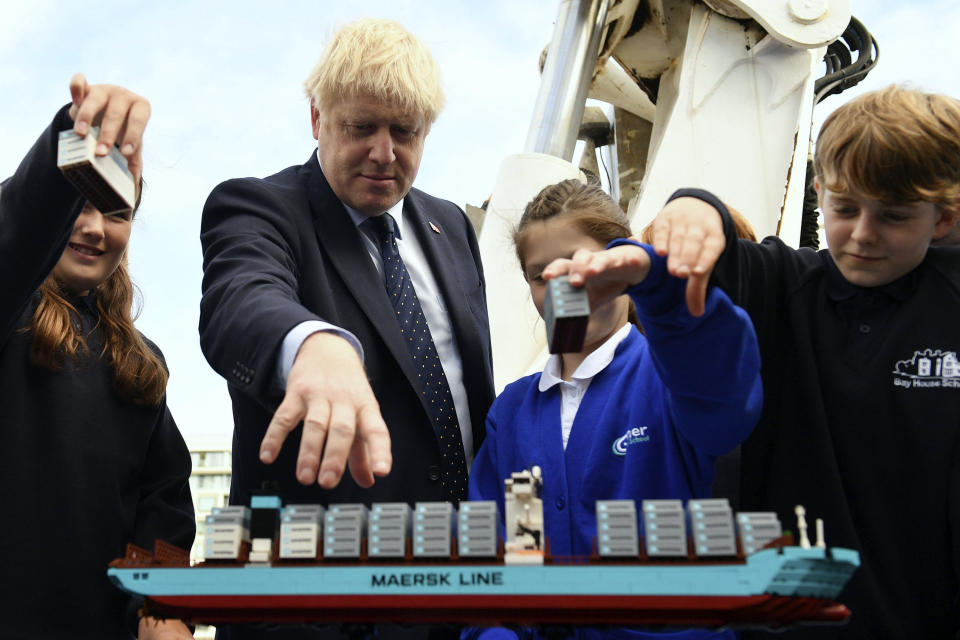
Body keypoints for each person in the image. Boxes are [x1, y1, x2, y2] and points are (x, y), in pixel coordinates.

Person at [199, 18, 494, 637]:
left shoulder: (454, 229)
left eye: (405, 132)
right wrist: (312, 344)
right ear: (317, 119)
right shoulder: (259, 207)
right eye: (362, 128)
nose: (385, 153)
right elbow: (242, 297)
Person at [650, 85, 960, 638]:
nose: (862, 234)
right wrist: (693, 205)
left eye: (893, 216)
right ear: (819, 192)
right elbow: (722, 260)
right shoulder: (785, 286)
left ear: (942, 219)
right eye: (844, 208)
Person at [466, 179, 762, 640]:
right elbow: (509, 545)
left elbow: (723, 394)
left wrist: (666, 290)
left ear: (624, 263)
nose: (561, 286)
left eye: (582, 266)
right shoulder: (513, 413)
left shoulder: (673, 379)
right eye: (539, 274)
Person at [0, 75, 194, 638]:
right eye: (76, 205)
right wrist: (73, 136)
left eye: (115, 211)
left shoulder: (142, 364)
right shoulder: (11, 310)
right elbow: (16, 236)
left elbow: (163, 507)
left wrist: (161, 610)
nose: (92, 228)